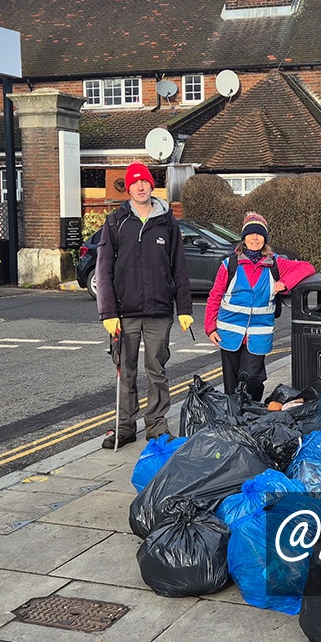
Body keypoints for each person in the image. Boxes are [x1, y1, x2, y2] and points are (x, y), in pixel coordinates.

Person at [95, 162, 194, 448]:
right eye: (135, 183)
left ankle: (156, 425)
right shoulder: (116, 222)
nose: (140, 187)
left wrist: (184, 308)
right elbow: (104, 271)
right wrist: (109, 313)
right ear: (129, 188)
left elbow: (179, 268)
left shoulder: (167, 222)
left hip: (159, 312)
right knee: (125, 372)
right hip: (124, 314)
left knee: (157, 371)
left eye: (145, 182)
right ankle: (124, 427)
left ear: (152, 186)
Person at [204, 211, 315, 401]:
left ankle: (251, 410)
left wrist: (285, 283)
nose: (255, 238)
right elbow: (215, 296)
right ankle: (235, 420)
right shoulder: (229, 264)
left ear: (265, 239)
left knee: (252, 377)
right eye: (250, 234)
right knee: (231, 384)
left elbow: (307, 268)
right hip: (229, 331)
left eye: (259, 234)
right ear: (243, 238)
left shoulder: (275, 263)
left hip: (258, 333)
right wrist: (210, 327)